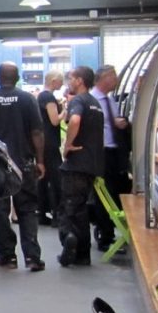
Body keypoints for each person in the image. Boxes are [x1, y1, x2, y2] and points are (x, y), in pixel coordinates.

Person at [0, 62, 46, 272]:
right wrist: (40, 160)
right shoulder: (28, 99)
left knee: (0, 210)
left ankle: (7, 255)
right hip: (23, 162)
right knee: (27, 209)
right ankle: (32, 256)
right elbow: (37, 132)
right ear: (18, 78)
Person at [58, 66, 105, 266]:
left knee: (69, 208)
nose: (69, 82)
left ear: (79, 81)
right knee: (81, 208)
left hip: (76, 164)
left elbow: (75, 120)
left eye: (71, 78)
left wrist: (68, 144)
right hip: (92, 164)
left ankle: (70, 241)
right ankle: (83, 254)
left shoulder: (78, 101)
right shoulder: (96, 103)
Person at [88, 64, 131, 252]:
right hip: (102, 153)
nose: (116, 80)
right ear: (103, 78)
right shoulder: (92, 101)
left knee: (116, 192)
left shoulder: (110, 100)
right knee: (104, 195)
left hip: (115, 153)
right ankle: (105, 235)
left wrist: (120, 123)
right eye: (113, 76)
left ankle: (110, 231)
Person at [37, 70, 66, 226]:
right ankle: (58, 214)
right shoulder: (48, 97)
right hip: (51, 142)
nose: (62, 84)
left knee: (44, 179)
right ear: (54, 81)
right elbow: (55, 120)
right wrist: (65, 110)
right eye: (61, 81)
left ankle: (42, 212)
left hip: (44, 142)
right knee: (56, 179)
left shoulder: (42, 96)